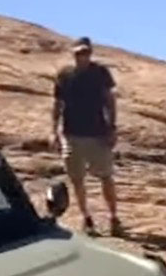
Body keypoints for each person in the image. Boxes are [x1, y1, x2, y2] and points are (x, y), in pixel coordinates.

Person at [51, 36, 122, 236]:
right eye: (79, 53)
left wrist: (112, 128)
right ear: (73, 53)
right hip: (72, 134)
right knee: (77, 179)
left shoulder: (100, 73)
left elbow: (110, 101)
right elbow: (57, 104)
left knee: (106, 176)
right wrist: (53, 131)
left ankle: (113, 217)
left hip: (98, 133)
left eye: (86, 52)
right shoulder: (65, 75)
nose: (83, 56)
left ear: (90, 52)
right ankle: (87, 218)